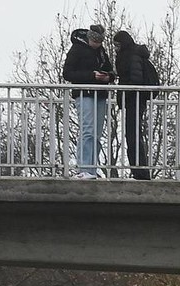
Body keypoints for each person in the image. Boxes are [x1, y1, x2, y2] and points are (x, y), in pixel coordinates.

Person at [63, 24, 115, 179]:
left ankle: (91, 169)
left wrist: (108, 77)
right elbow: (68, 73)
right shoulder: (77, 49)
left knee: (97, 134)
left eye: (99, 42)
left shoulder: (101, 52)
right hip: (84, 94)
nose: (96, 45)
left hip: (100, 95)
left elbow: (110, 69)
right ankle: (84, 168)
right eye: (95, 42)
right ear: (89, 38)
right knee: (87, 131)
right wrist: (91, 76)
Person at [111, 30, 159, 180]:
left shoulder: (131, 55)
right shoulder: (133, 54)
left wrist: (125, 92)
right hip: (134, 99)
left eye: (118, 45)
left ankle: (140, 171)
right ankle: (138, 169)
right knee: (133, 135)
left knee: (133, 135)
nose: (116, 48)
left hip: (134, 99)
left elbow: (135, 79)